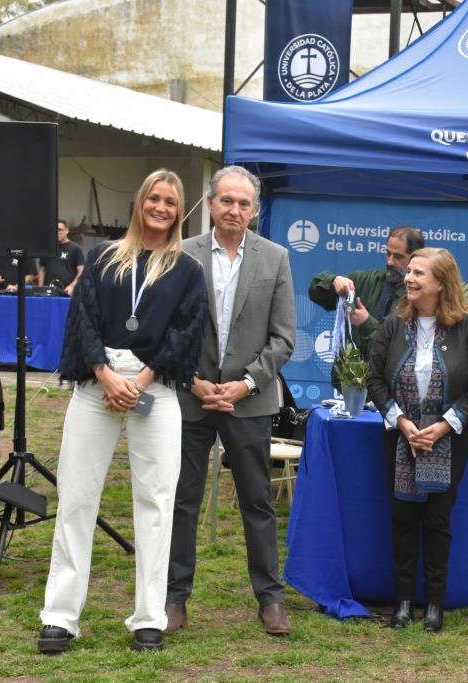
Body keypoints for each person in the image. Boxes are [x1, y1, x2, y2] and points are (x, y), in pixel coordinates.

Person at [37, 169, 207, 654]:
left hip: (155, 389)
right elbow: (83, 318)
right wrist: (106, 373)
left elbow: (185, 334)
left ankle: (149, 617)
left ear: (179, 210)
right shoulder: (103, 257)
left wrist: (141, 380)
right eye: (154, 198)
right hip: (98, 383)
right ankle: (61, 616)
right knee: (76, 498)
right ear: (139, 202)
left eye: (170, 202)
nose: (161, 207)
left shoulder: (187, 270)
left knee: (156, 503)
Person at [165, 166, 296, 636]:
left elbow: (283, 339)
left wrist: (245, 384)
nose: (234, 211)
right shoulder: (182, 253)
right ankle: (174, 598)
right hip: (191, 398)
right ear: (211, 203)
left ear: (255, 211)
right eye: (226, 201)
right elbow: (169, 329)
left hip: (249, 402)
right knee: (183, 500)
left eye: (244, 204)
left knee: (257, 503)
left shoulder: (276, 258)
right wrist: (195, 382)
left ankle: (270, 600)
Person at [366, 247, 468, 633]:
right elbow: (375, 381)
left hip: (447, 439)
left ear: (441, 282)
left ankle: (435, 605)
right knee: (403, 518)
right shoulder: (392, 324)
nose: (410, 278)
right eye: (410, 272)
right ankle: (402, 602)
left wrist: (444, 426)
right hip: (400, 436)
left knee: (437, 520)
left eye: (420, 273)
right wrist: (402, 422)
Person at [308, 225, 424, 363]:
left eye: (398, 256)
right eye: (388, 254)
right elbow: (315, 292)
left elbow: (398, 345)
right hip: (351, 378)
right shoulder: (362, 280)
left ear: (415, 257)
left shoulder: (420, 297)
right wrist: (333, 280)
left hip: (389, 379)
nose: (390, 261)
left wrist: (366, 322)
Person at [38, 219, 86, 294]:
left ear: (67, 231)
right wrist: (40, 288)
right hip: (48, 291)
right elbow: (42, 269)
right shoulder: (47, 248)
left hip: (66, 291)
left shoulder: (75, 248)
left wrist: (72, 286)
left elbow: (81, 271)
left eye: (60, 229)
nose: (57, 232)